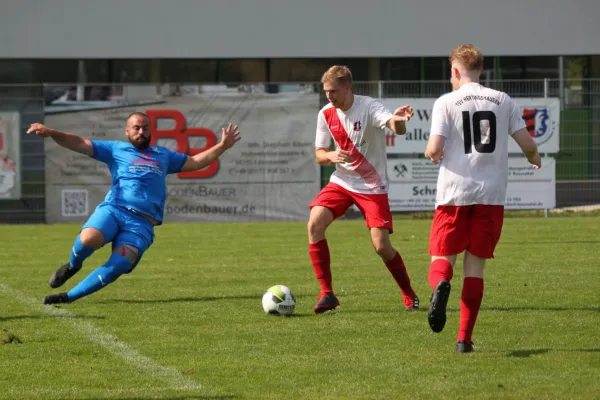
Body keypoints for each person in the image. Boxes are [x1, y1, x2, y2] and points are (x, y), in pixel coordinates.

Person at [27, 113, 241, 305]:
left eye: (145, 127)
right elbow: (79, 142)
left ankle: (68, 297)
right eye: (136, 128)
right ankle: (73, 266)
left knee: (120, 264)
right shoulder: (115, 149)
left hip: (142, 224)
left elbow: (195, 161)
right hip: (114, 210)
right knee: (88, 240)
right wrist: (51, 132)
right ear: (127, 131)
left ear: (150, 130)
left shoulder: (163, 155)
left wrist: (222, 146)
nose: (141, 132)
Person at [424, 44, 541, 353]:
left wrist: (430, 153)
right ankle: (464, 339)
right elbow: (528, 143)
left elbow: (435, 149)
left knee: (441, 259)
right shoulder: (503, 100)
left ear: (455, 71)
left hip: (454, 193)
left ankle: (440, 285)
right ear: (480, 69)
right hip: (490, 195)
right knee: (474, 267)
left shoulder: (446, 101)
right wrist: (535, 157)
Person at [307, 65, 420, 314]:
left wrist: (399, 121)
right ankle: (327, 294)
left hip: (371, 184)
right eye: (326, 91)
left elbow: (393, 126)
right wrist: (331, 154)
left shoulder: (369, 106)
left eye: (334, 91)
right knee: (315, 223)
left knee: (381, 247)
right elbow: (319, 155)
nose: (329, 96)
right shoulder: (325, 113)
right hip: (342, 181)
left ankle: (409, 293)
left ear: (348, 88)